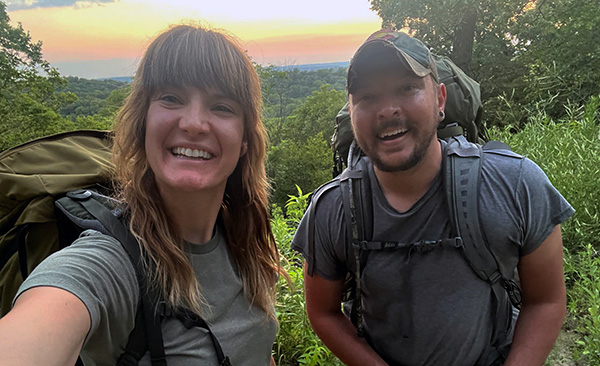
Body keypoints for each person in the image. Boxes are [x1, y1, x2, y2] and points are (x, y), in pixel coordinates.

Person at [0, 24, 285, 365]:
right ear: (143, 123)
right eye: (171, 98)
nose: (194, 123)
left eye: (222, 107)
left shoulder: (248, 242)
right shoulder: (109, 261)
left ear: (244, 142)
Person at [291, 29, 574, 366]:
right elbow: (323, 312)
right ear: (351, 113)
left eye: (406, 88)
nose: (386, 110)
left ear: (439, 99)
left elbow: (545, 302)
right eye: (367, 96)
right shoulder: (333, 209)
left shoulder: (514, 184)